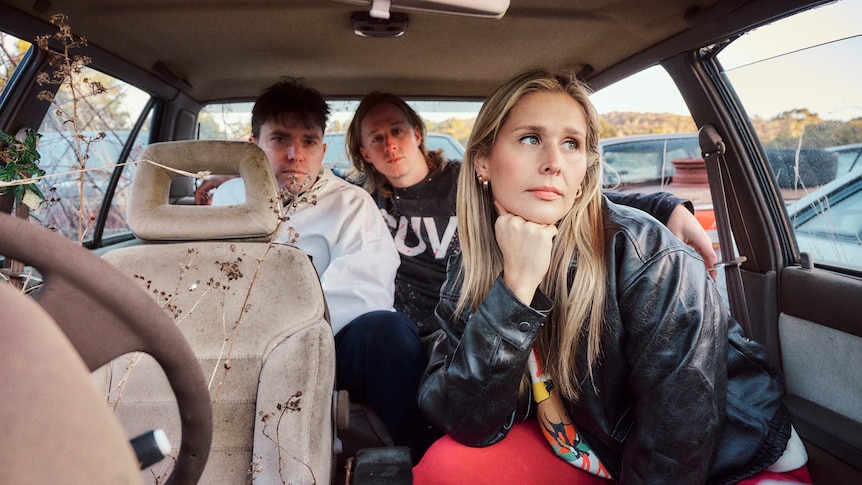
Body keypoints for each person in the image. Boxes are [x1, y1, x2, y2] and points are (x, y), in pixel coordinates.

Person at [414, 69, 810, 484]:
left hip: (728, 464)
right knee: (444, 467)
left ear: (585, 166)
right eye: (530, 138)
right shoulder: (473, 255)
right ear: (482, 161)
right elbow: (465, 419)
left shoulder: (649, 258)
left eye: (571, 144)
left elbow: (677, 442)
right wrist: (515, 288)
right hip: (590, 445)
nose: (553, 163)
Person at [344, 92, 718, 339]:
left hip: (475, 315)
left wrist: (664, 207)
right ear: (363, 152)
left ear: (418, 134)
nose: (390, 145)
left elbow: (573, 198)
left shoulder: (470, 179)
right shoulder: (357, 201)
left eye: (397, 131)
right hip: (406, 332)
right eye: (377, 138)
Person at [208, 77, 431, 462]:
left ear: (322, 149)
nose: (295, 154)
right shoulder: (229, 198)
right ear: (254, 146)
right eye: (280, 139)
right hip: (241, 344)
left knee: (388, 331)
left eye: (308, 142)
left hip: (329, 343)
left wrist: (289, 336)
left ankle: (418, 460)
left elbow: (364, 291)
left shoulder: (350, 204)